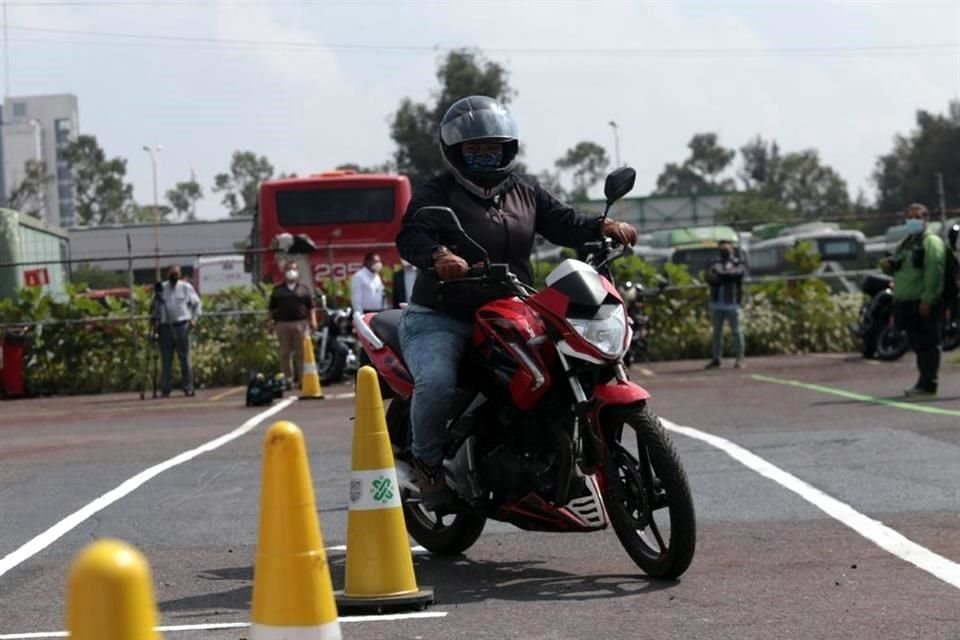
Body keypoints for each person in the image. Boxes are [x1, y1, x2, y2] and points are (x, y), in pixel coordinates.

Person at [395, 95, 637, 509]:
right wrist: (440, 257)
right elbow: (411, 235)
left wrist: (604, 226)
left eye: (493, 149)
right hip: (443, 314)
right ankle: (428, 467)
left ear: (508, 149)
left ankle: (556, 458)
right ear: (456, 152)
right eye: (475, 150)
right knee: (436, 382)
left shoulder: (525, 190)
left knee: (565, 364)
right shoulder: (437, 193)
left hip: (513, 308)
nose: (486, 158)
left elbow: (565, 222)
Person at [881, 203, 946, 396]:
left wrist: (928, 299)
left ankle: (929, 383)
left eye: (917, 217)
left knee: (928, 344)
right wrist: (886, 266)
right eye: (909, 217)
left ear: (926, 219)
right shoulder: (906, 243)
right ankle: (923, 381)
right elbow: (898, 265)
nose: (913, 221)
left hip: (922, 301)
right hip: (906, 301)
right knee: (917, 344)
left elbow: (935, 272)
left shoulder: (931, 243)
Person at [268, 260, 317, 389]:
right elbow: (271, 309)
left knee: (301, 353)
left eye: (294, 269)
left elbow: (311, 307)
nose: (291, 272)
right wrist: (270, 323)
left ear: (298, 272)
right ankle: (288, 379)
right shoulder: (278, 290)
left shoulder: (304, 289)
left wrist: (313, 321)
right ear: (284, 272)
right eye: (289, 269)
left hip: (301, 324)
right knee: (285, 353)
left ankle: (302, 379)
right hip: (282, 324)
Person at [154, 264, 201, 397]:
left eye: (176, 274)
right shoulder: (162, 288)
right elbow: (156, 307)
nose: (174, 276)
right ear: (167, 275)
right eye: (171, 274)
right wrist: (156, 323)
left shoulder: (186, 287)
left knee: (184, 358)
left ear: (179, 275)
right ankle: (166, 388)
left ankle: (188, 387)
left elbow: (197, 304)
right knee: (166, 359)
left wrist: (194, 319)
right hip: (165, 327)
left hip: (182, 326)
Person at [704, 240, 747, 370]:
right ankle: (716, 359)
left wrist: (722, 275)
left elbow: (737, 273)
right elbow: (710, 277)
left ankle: (739, 359)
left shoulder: (738, 263)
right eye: (722, 248)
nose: (725, 250)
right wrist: (724, 275)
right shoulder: (715, 263)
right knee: (717, 333)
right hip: (717, 304)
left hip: (732, 304)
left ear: (732, 250)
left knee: (737, 332)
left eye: (727, 248)